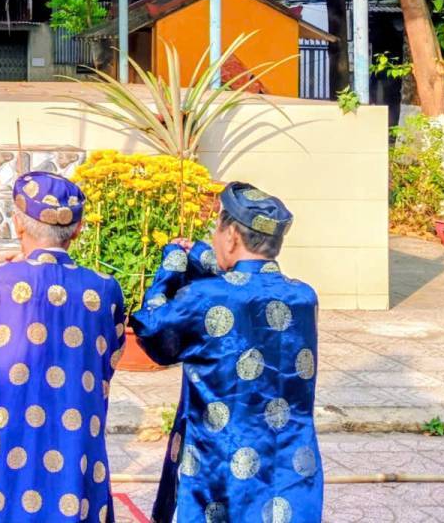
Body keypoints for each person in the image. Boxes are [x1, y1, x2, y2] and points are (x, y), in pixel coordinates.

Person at [131, 182, 321, 523]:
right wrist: (204, 257)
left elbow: (153, 331)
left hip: (221, 466)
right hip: (288, 462)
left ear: (231, 235)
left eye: (216, 230)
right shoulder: (304, 297)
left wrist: (171, 265)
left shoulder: (205, 296)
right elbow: (246, 285)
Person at [0, 171, 126, 523]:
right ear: (77, 229)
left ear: (17, 224)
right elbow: (111, 355)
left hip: (10, 443)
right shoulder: (105, 289)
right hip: (76, 448)